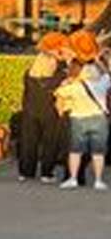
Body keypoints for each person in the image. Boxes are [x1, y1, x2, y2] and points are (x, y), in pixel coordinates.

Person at [18, 35, 68, 182]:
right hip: (50, 112)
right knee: (50, 142)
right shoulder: (57, 77)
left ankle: (26, 172)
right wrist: (60, 55)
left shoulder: (28, 76)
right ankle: (46, 172)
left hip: (30, 110)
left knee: (28, 141)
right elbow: (66, 68)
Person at [56, 60, 110, 190]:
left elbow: (58, 92)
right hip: (99, 119)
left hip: (78, 119)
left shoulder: (76, 86)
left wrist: (72, 80)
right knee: (98, 152)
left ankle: (73, 178)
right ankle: (98, 180)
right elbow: (107, 73)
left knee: (75, 151)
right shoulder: (103, 83)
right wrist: (97, 60)